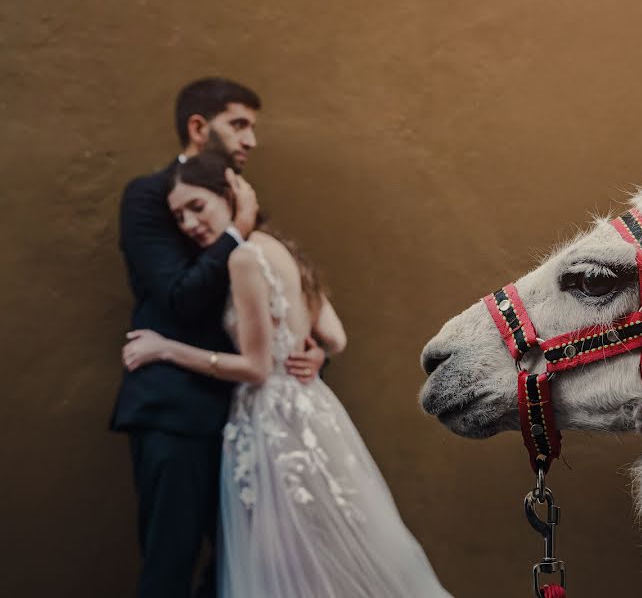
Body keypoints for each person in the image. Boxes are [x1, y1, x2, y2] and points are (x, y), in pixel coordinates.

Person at [122, 151, 451, 597]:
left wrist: (166, 348)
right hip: (311, 409)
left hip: (270, 421)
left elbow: (256, 369)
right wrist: (311, 353)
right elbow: (335, 337)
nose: (188, 224)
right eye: (178, 216)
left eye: (197, 207)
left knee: (282, 555)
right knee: (323, 543)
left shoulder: (241, 260)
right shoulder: (281, 248)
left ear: (229, 196)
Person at [112, 78, 326, 598]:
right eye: (239, 125)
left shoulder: (242, 203)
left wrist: (308, 345)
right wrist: (236, 230)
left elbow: (284, 293)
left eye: (253, 127)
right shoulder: (149, 196)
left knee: (247, 569)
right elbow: (178, 297)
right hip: (175, 414)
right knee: (171, 563)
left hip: (249, 421)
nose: (251, 139)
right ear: (198, 127)